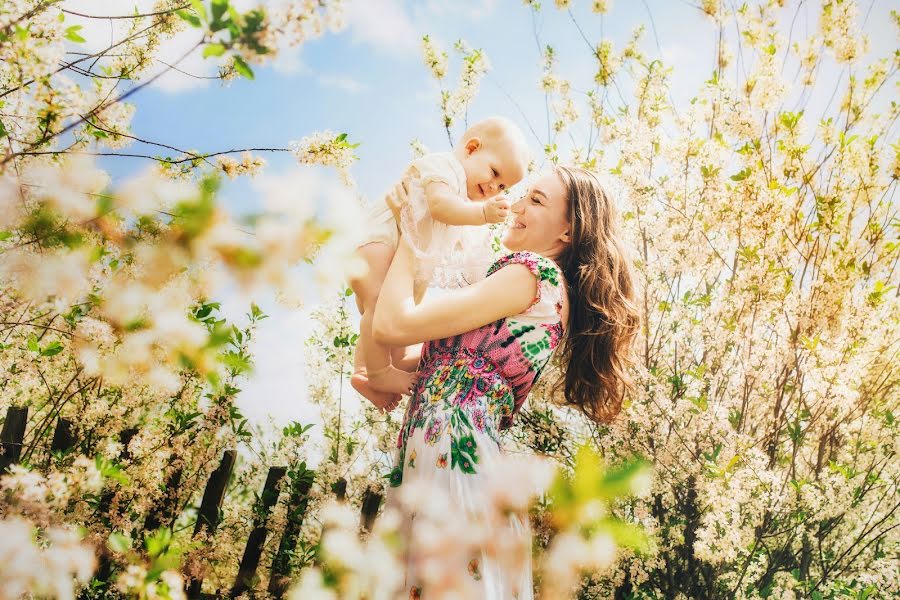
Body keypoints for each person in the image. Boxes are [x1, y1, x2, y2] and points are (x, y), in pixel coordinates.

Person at [372, 165, 642, 598]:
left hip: (453, 455)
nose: (514, 206)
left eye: (536, 200)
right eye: (523, 195)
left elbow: (394, 324)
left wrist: (413, 230)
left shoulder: (533, 274)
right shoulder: (531, 285)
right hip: (443, 450)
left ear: (569, 231)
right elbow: (399, 357)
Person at [349, 116, 531, 410]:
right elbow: (439, 206)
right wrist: (482, 213)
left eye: (502, 186)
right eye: (494, 172)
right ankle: (379, 373)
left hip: (399, 256)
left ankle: (366, 372)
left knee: (393, 315)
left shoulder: (460, 192)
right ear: (472, 148)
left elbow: (452, 235)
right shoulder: (444, 168)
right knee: (378, 303)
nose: (494, 187)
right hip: (378, 242)